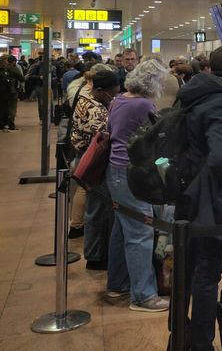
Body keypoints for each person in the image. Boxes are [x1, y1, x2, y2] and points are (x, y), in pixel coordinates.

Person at [177, 45, 222, 351]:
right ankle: (202, 343)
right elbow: (220, 157)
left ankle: (179, 336)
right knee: (207, 272)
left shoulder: (195, 92)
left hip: (188, 188)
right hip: (209, 197)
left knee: (188, 270)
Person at [105, 57, 169, 312]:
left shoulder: (119, 99)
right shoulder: (144, 104)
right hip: (132, 172)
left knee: (122, 229)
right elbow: (159, 137)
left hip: (115, 170)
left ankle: (118, 283)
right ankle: (143, 295)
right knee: (141, 232)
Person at [71, 70, 121, 270]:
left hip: (86, 157)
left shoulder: (87, 99)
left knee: (97, 208)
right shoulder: (94, 108)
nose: (113, 97)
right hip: (95, 161)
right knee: (98, 209)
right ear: (99, 90)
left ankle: (96, 252)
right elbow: (105, 136)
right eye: (111, 93)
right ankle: (96, 257)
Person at [0, 55, 24, 131]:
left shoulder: (3, 70)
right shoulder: (14, 69)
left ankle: (3, 124)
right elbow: (22, 79)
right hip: (12, 92)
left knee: (3, 108)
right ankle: (11, 124)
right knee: (12, 108)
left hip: (3, 93)